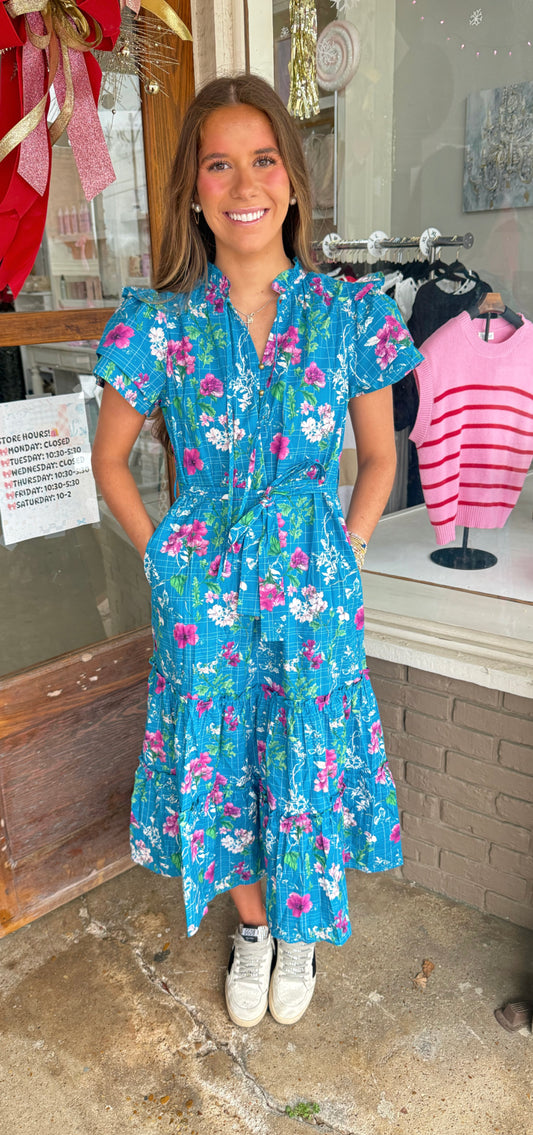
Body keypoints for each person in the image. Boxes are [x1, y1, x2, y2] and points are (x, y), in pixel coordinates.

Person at [91, 73, 423, 1029]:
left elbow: (380, 456)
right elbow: (109, 461)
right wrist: (167, 560)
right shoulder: (157, 321)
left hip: (313, 584)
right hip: (204, 589)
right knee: (217, 756)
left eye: (263, 159)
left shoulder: (348, 314)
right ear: (193, 192)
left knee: (307, 752)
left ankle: (302, 928)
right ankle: (254, 927)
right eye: (219, 165)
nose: (244, 184)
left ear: (291, 180)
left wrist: (348, 546)